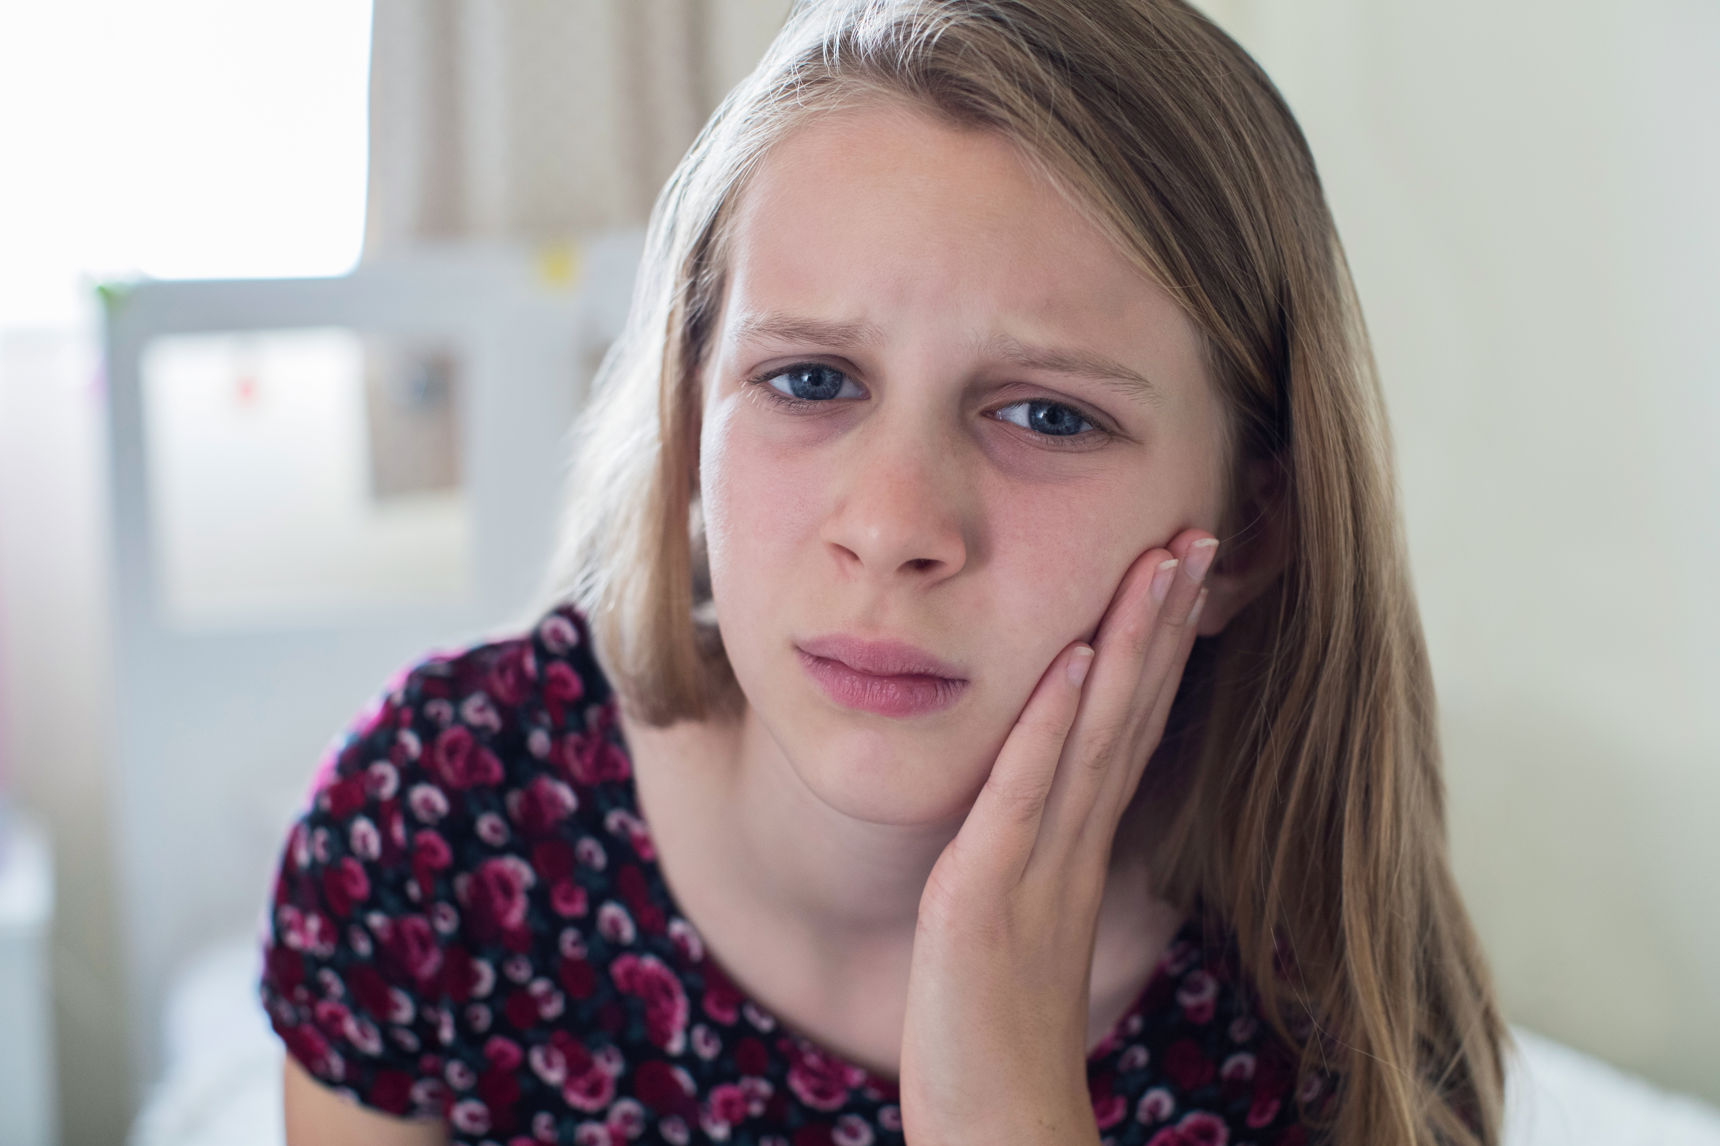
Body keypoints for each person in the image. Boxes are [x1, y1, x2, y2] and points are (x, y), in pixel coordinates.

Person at [265, 1, 1509, 1143]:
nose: (892, 524)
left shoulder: (1322, 1018)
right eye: (810, 381)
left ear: (1254, 525)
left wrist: (1008, 1101)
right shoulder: (434, 828)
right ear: (691, 425)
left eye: (1048, 415)